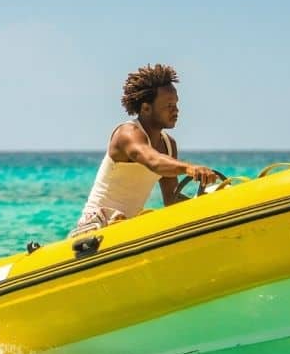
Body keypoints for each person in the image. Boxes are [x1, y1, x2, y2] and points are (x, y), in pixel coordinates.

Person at [70, 64, 219, 237]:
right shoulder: (127, 134)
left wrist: (209, 201)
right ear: (146, 108)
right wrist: (189, 168)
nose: (176, 109)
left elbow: (172, 200)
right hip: (96, 226)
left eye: (176, 104)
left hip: (126, 227)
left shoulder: (169, 145)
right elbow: (153, 160)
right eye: (169, 105)